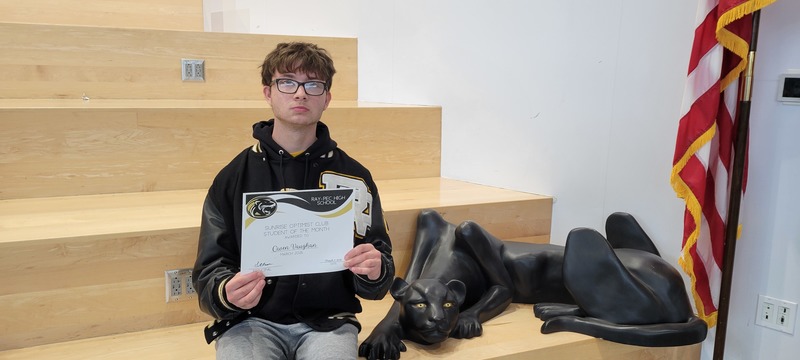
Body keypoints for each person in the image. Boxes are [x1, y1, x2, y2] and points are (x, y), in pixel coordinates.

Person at [193, 42, 395, 360]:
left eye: (313, 84)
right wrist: (227, 292)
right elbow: (209, 269)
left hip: (328, 324)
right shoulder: (232, 177)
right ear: (267, 92)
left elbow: (379, 274)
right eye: (287, 82)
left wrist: (373, 268)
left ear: (326, 98)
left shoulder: (355, 177)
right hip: (249, 322)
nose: (300, 93)